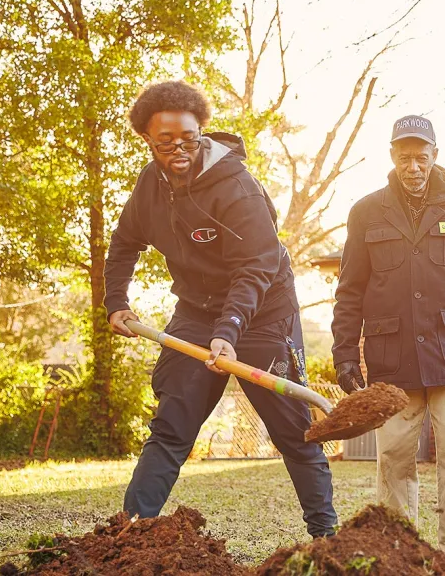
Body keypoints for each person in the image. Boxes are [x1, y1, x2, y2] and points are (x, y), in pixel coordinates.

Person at [103, 80, 338, 538]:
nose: (178, 147)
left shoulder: (236, 187)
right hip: (195, 311)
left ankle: (326, 537)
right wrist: (116, 301)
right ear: (147, 140)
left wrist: (230, 331)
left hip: (264, 312)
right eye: (165, 139)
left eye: (188, 137)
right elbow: (124, 242)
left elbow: (256, 268)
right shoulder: (149, 186)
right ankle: (130, 531)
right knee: (171, 426)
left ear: (201, 134)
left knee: (294, 433)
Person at [330, 115, 445, 569]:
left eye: (421, 157)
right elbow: (349, 290)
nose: (413, 166)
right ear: (392, 156)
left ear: (434, 157)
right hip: (393, 359)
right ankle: (396, 550)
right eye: (404, 157)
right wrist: (345, 352)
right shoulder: (366, 211)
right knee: (392, 457)